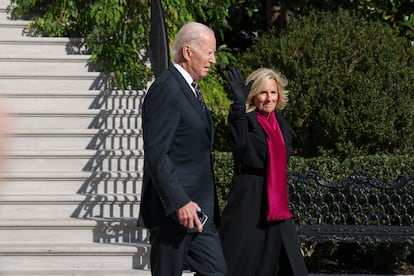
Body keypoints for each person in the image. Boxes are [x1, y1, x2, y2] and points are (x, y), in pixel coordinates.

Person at [138, 22, 227, 276]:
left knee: (217, 271)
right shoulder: (167, 88)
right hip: (176, 214)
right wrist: (179, 201)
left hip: (201, 213)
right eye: (209, 52)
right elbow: (157, 153)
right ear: (188, 52)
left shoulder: (189, 88)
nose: (213, 59)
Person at [220, 67, 308, 276]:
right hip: (249, 198)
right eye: (263, 92)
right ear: (254, 95)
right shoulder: (246, 121)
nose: (269, 98)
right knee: (242, 261)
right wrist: (239, 106)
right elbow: (237, 141)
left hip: (276, 202)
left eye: (273, 92)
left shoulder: (282, 126)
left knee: (287, 263)